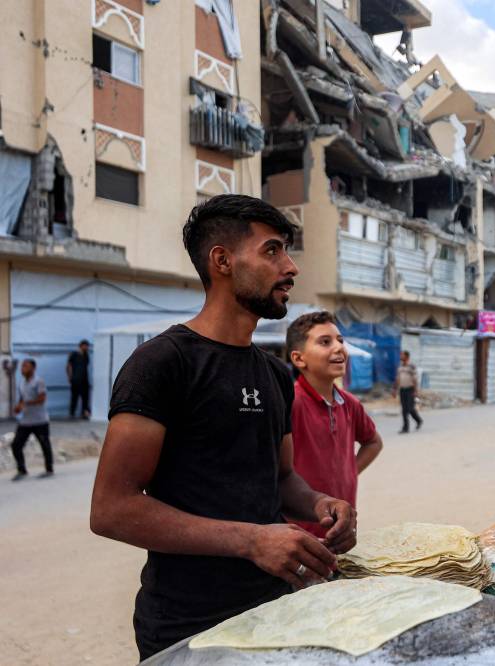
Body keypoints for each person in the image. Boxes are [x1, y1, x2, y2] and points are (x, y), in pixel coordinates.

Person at [90, 195, 357, 660]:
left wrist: (321, 503)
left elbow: (280, 478)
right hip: (187, 627)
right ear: (223, 261)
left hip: (276, 609)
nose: (290, 267)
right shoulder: (162, 363)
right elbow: (112, 509)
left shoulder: (275, 374)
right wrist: (252, 540)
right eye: (272, 251)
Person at [286, 310, 383, 534]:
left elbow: (373, 442)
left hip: (342, 529)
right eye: (325, 342)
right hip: (300, 530)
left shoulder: (349, 403)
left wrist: (349, 473)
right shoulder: (291, 402)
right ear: (299, 358)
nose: (339, 348)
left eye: (340, 340)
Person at [10, 359, 54, 480]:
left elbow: (42, 399)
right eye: (22, 366)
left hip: (40, 420)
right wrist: (18, 407)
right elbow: (22, 399)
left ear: (33, 368)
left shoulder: (38, 381)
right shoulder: (22, 383)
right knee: (15, 445)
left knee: (45, 444)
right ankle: (22, 470)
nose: (22, 368)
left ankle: (49, 469)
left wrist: (25, 403)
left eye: (26, 366)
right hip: (26, 421)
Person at [393, 351, 423, 434]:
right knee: (404, 410)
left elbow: (415, 379)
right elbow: (397, 379)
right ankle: (405, 428)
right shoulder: (400, 368)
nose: (401, 356)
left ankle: (418, 420)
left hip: (410, 390)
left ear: (407, 357)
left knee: (410, 408)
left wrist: (416, 391)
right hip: (402, 390)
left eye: (402, 355)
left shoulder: (411, 366)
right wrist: (394, 389)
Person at [67, 339, 91, 419]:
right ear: (81, 346)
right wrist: (70, 377)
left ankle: (84, 413)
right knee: (74, 397)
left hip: (84, 379)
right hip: (76, 379)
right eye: (86, 346)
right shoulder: (74, 354)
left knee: (85, 397)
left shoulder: (86, 355)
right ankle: (72, 413)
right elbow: (69, 366)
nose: (87, 347)